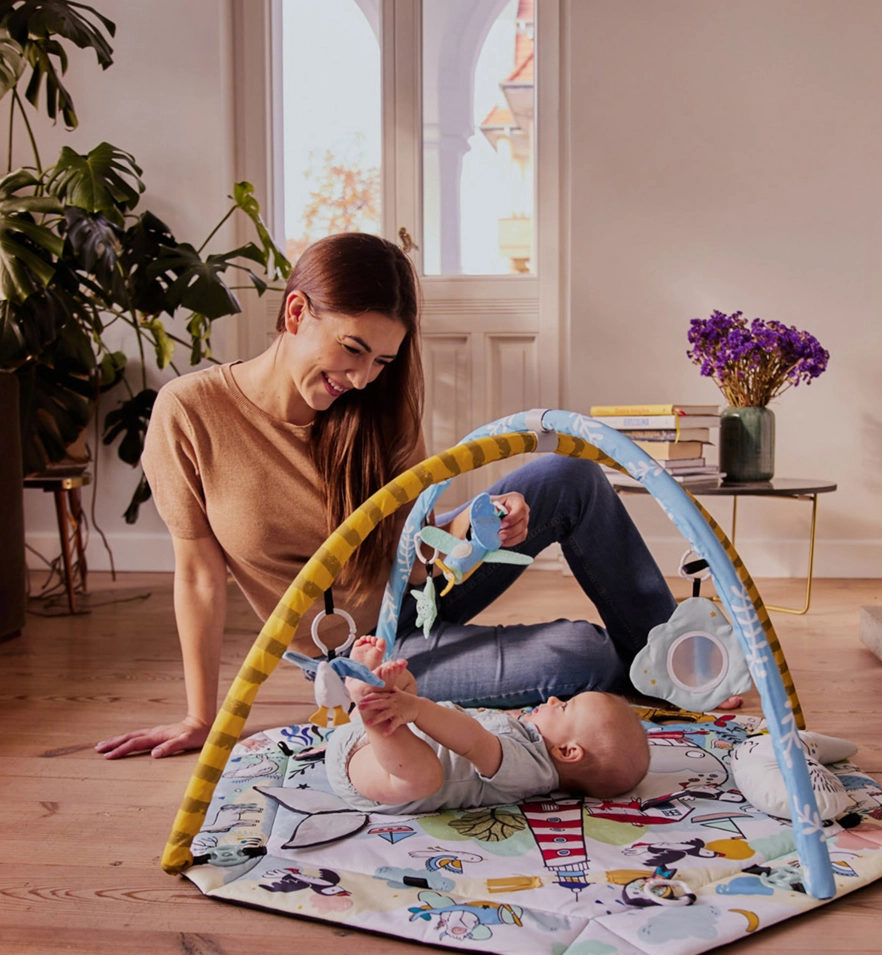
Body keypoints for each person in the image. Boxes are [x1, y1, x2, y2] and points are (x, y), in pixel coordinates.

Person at [95, 232, 730, 762]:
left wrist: (481, 525)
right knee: (583, 653)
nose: (361, 378)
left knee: (572, 476)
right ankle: (635, 661)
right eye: (352, 349)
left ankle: (678, 663)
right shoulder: (189, 413)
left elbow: (414, 543)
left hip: (417, 589)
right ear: (295, 313)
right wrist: (200, 717)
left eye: (381, 361)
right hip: (364, 650)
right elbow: (199, 577)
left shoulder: (376, 407)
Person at [326, 636, 651, 811]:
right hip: (387, 741)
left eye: (565, 707)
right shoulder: (530, 735)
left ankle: (373, 707)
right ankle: (373, 689)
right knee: (407, 685)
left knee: (425, 777)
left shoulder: (531, 771)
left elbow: (474, 741)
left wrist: (417, 709)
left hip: (374, 775)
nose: (553, 699)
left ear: (568, 752)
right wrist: (407, 699)